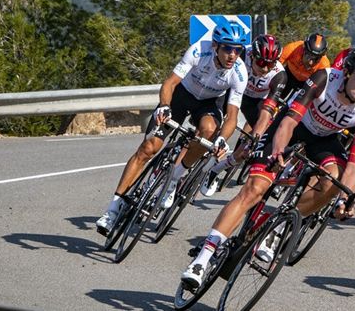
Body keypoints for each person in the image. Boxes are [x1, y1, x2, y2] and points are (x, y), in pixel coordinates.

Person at [180, 47, 355, 289]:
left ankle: (277, 223)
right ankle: (203, 259)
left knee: (334, 181)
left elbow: (354, 166)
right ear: (348, 72)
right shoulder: (325, 78)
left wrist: (344, 199)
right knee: (254, 190)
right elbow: (288, 122)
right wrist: (278, 152)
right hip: (294, 125)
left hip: (324, 140)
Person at [95, 20, 248, 236]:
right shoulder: (198, 50)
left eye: (238, 50)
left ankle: (175, 177)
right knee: (148, 148)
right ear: (216, 45)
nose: (233, 55)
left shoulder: (240, 73)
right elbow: (170, 83)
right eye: (228, 48)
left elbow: (232, 116)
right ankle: (113, 208)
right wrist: (164, 107)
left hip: (208, 104)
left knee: (209, 132)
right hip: (181, 96)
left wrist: (223, 139)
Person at [201, 34, 283, 196]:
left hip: (255, 101)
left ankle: (216, 169)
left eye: (270, 64)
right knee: (212, 125)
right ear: (252, 55)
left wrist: (256, 137)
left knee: (255, 142)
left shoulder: (279, 75)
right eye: (261, 62)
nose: (265, 68)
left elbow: (267, 112)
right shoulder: (241, 54)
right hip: (230, 92)